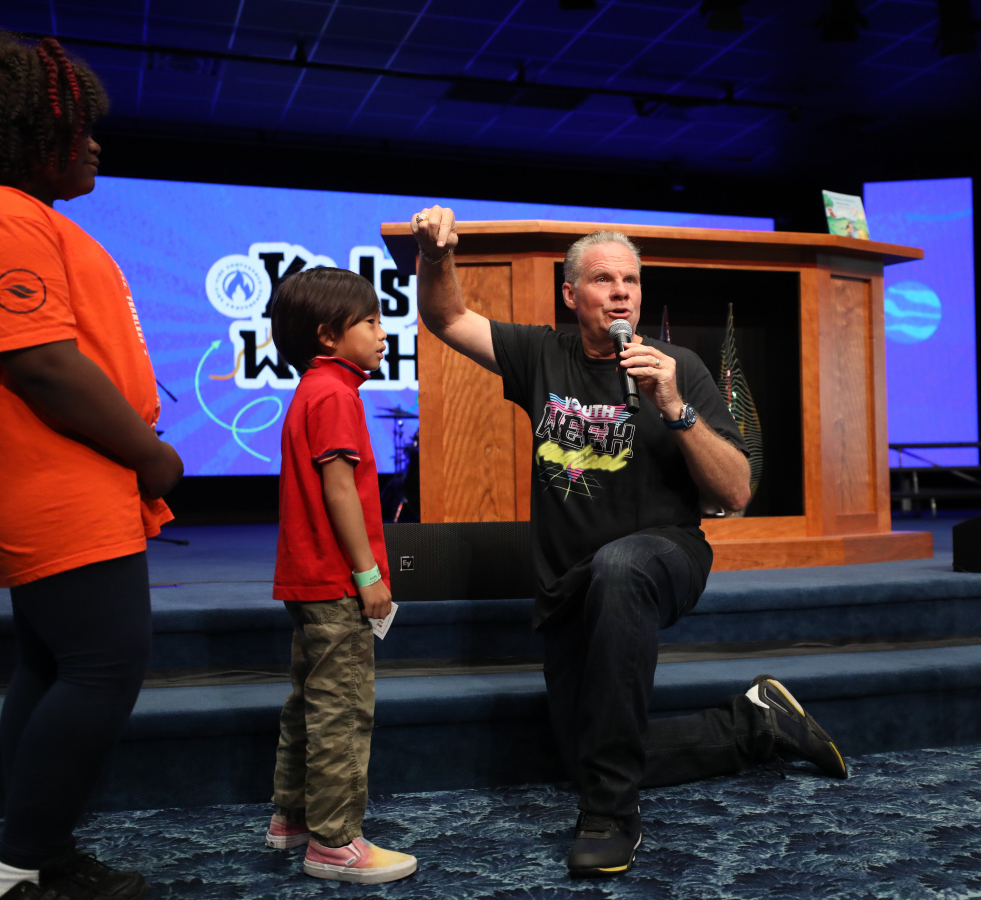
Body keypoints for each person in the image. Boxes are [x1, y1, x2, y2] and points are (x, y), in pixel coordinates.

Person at [410, 205, 848, 877]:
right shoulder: (541, 355)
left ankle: (610, 814)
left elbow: (735, 492)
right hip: (569, 584)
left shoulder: (679, 367)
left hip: (663, 557)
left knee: (621, 569)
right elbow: (446, 318)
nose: (621, 294)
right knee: (583, 752)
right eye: (604, 280)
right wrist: (437, 256)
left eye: (631, 282)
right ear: (570, 294)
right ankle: (756, 725)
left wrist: (675, 408)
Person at [0, 34, 183, 900]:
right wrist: (152, 454)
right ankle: (17, 874)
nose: (94, 143)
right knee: (103, 667)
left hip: (59, 473)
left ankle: (39, 855)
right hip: (55, 475)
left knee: (53, 665)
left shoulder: (11, 216)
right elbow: (43, 364)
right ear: (25, 131)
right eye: (76, 128)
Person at [264, 267, 418, 884]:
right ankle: (335, 842)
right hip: (335, 581)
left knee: (310, 700)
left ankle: (294, 819)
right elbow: (340, 492)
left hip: (310, 579)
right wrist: (369, 575)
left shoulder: (316, 389)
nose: (384, 333)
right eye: (372, 322)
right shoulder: (334, 395)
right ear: (328, 335)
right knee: (343, 710)